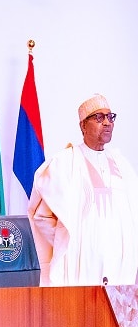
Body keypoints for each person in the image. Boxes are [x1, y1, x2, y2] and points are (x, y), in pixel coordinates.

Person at [28, 94, 138, 286]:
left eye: (110, 117)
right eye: (99, 117)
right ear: (83, 126)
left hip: (120, 271)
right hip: (79, 269)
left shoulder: (123, 165)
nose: (107, 123)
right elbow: (41, 216)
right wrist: (74, 243)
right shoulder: (64, 163)